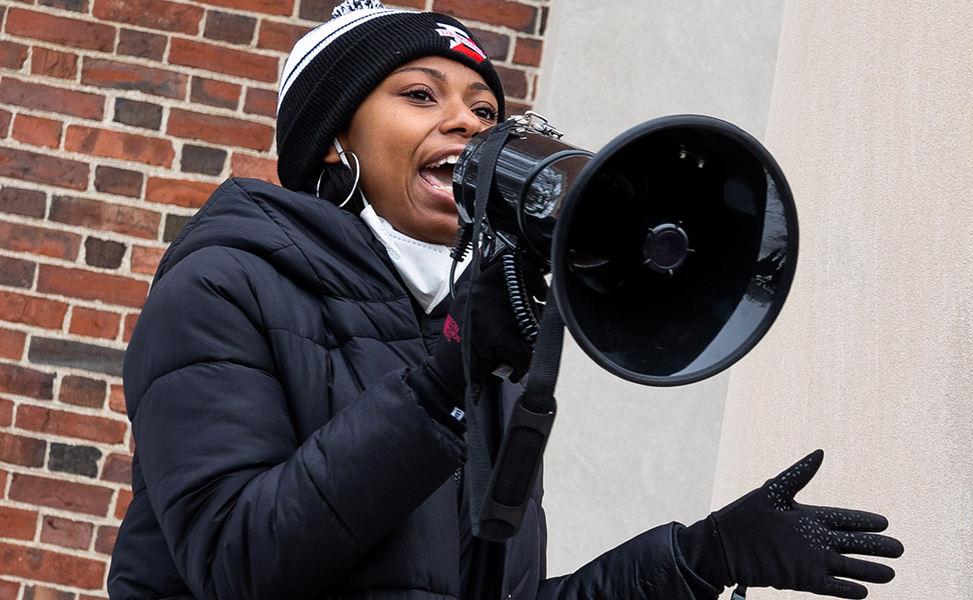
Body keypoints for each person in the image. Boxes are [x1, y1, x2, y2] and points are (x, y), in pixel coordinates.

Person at [108, 1, 903, 599]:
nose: (465, 120)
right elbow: (236, 558)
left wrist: (696, 559)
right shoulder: (221, 284)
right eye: (420, 96)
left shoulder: (478, 335)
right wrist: (445, 384)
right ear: (334, 141)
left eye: (486, 112)